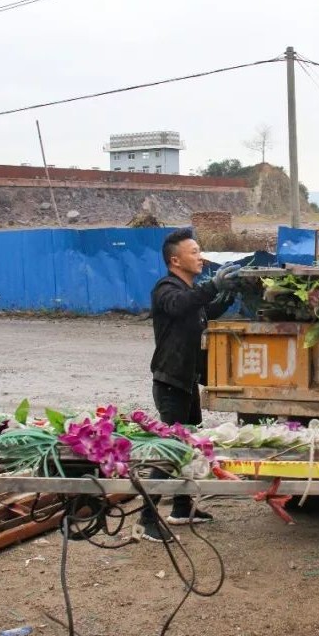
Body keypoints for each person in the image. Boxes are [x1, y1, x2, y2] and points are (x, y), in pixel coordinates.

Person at [139, 228, 240, 542]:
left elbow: (202, 310)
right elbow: (181, 305)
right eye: (194, 251)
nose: (200, 257)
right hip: (170, 383)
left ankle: (181, 508)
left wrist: (227, 295)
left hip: (186, 382)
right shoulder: (166, 289)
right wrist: (214, 285)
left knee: (185, 447)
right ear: (175, 259)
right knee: (169, 450)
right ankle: (146, 518)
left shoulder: (189, 291)